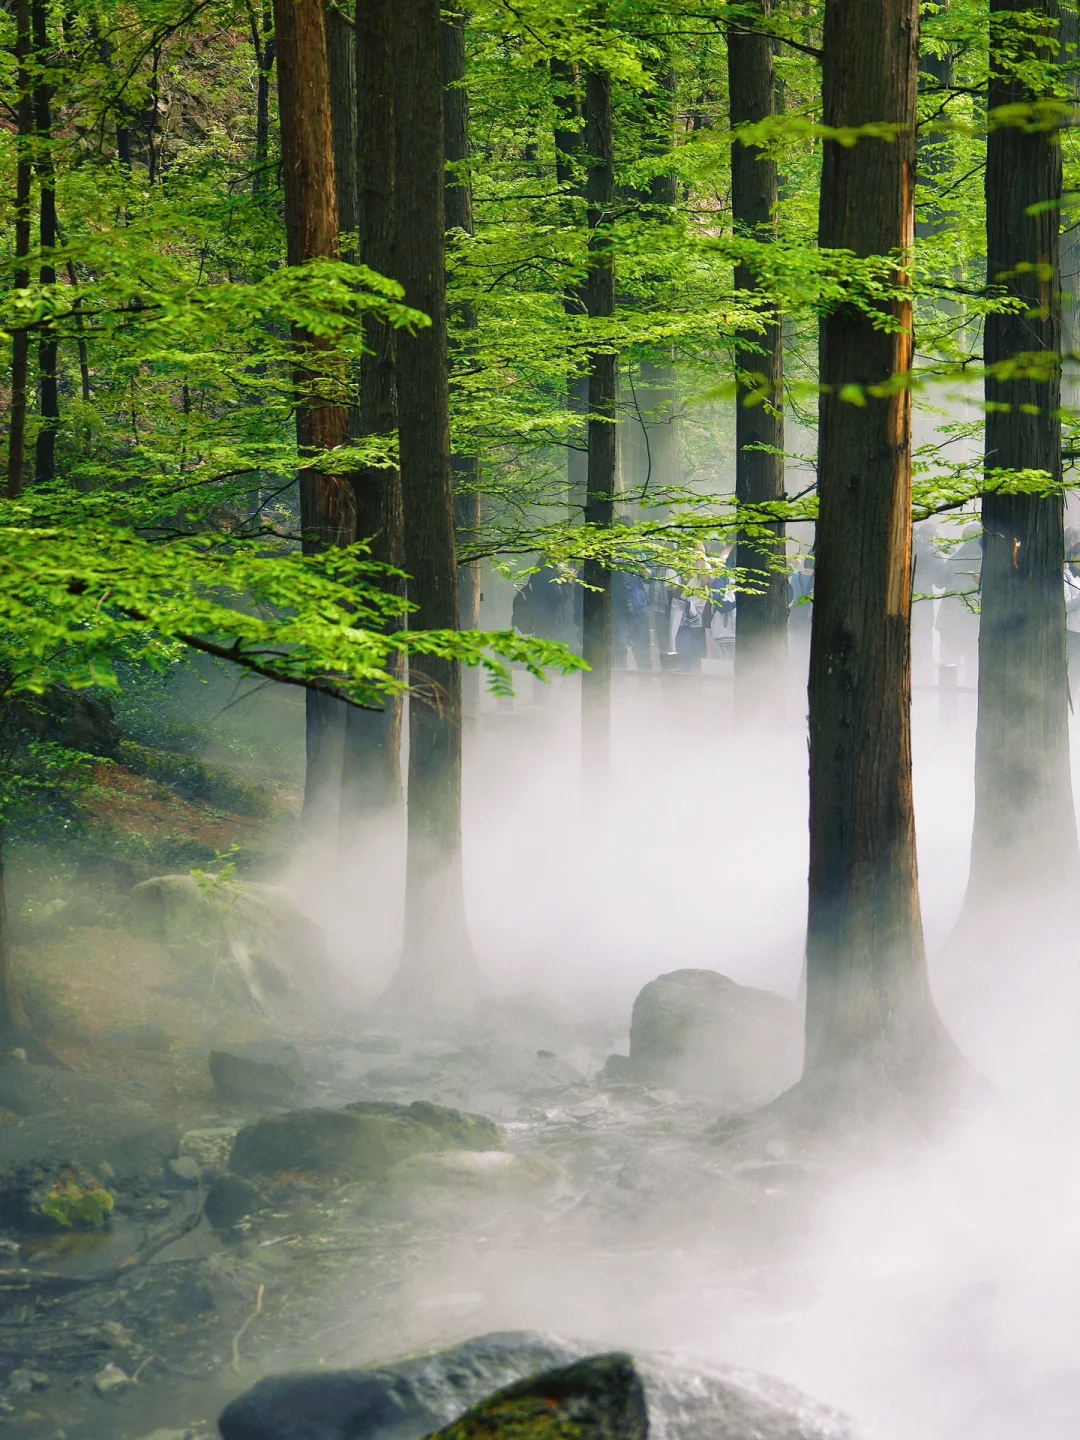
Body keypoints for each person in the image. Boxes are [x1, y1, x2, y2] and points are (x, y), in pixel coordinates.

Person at [612, 570, 652, 669]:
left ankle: (645, 682)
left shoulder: (639, 555)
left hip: (640, 611)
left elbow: (650, 579)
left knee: (643, 653)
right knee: (620, 653)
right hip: (620, 614)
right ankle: (619, 683)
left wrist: (645, 570)